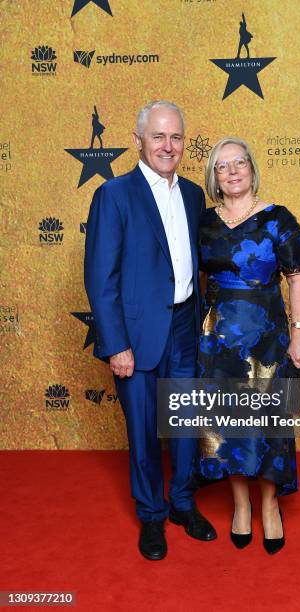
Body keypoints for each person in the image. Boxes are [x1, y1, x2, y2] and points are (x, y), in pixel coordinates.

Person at [84, 100, 217, 561]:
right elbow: (101, 280)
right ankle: (152, 515)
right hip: (136, 336)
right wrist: (116, 344)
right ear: (138, 139)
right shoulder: (114, 195)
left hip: (183, 326)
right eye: (158, 136)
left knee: (183, 425)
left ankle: (182, 503)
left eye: (176, 137)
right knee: (142, 431)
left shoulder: (195, 195)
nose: (168, 145)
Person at [197, 137, 300, 554]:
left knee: (270, 425)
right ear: (214, 177)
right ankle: (240, 505)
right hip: (219, 340)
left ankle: (269, 506)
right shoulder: (204, 223)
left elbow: (296, 276)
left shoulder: (278, 219)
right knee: (227, 426)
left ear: (251, 168)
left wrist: (298, 332)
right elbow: (199, 281)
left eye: (239, 163)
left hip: (267, 338)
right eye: (222, 166)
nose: (232, 172)